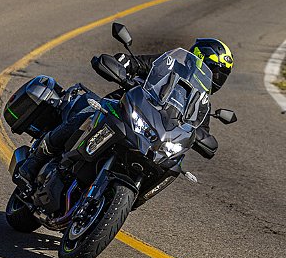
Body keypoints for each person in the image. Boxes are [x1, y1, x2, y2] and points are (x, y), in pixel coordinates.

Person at [16, 38, 233, 185]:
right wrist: (123, 64)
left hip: (151, 139)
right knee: (86, 114)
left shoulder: (202, 103)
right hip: (123, 109)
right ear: (199, 58)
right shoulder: (168, 64)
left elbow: (199, 130)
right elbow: (136, 63)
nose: (215, 77)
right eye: (214, 70)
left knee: (172, 166)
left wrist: (203, 138)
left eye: (220, 74)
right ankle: (36, 159)